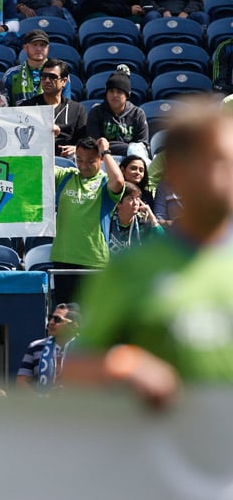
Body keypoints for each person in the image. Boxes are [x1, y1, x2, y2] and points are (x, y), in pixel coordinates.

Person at [74, 101, 233, 406]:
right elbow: (75, 368)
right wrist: (124, 366)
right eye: (217, 161)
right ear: (176, 170)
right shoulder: (129, 269)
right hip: (166, 450)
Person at [51, 136, 125, 304]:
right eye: (79, 160)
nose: (84, 165)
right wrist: (49, 139)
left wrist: (105, 151)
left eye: (90, 161)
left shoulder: (106, 182)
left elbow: (119, 181)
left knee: (91, 318)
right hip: (64, 259)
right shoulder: (66, 176)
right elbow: (40, 166)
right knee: (66, 317)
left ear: (100, 159)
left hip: (94, 261)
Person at [20, 58, 86, 157]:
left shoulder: (76, 109)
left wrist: (77, 148)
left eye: (52, 77)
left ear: (64, 81)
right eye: (44, 76)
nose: (47, 80)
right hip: (35, 158)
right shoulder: (27, 107)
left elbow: (86, 142)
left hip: (66, 161)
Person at [85, 66, 149, 157]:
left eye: (119, 92)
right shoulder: (96, 113)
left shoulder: (138, 114)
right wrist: (127, 148)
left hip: (131, 160)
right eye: (111, 91)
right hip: (103, 159)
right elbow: (95, 145)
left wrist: (111, 146)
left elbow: (142, 146)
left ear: (126, 95)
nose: (114, 95)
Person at [16, 304, 80, 393]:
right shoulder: (35, 347)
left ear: (72, 325)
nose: (51, 322)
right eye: (50, 318)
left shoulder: (86, 351)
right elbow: (21, 381)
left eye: (57, 319)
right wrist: (40, 400)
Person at [3, 29, 70, 107]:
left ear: (48, 48)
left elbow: (65, 106)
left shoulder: (60, 73)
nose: (38, 49)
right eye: (34, 45)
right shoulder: (11, 74)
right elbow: (4, 107)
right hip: (20, 118)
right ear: (25, 47)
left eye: (42, 45)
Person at [108, 181, 163, 254]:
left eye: (137, 198)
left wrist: (152, 217)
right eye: (130, 199)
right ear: (118, 203)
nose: (135, 203)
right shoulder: (108, 223)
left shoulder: (143, 223)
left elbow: (163, 241)